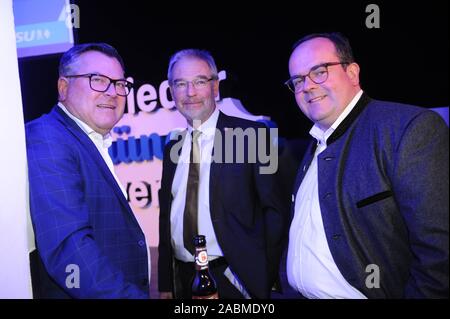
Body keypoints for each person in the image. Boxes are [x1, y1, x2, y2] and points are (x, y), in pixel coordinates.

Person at [284, 32, 449, 298]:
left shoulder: (407, 128)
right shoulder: (315, 143)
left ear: (352, 72)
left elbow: (439, 253)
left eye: (320, 71)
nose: (308, 86)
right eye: (298, 80)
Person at [158, 49, 286, 299]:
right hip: (183, 281)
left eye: (199, 82)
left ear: (215, 86)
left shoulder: (255, 136)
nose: (190, 92)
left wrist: (260, 277)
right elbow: (166, 219)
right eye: (180, 84)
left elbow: (276, 213)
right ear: (171, 91)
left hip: (235, 280)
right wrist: (166, 284)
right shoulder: (173, 146)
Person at [26, 43, 150, 298]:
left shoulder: (87, 139)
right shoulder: (47, 137)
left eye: (119, 84)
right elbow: (68, 250)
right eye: (97, 80)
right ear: (63, 87)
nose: (112, 92)